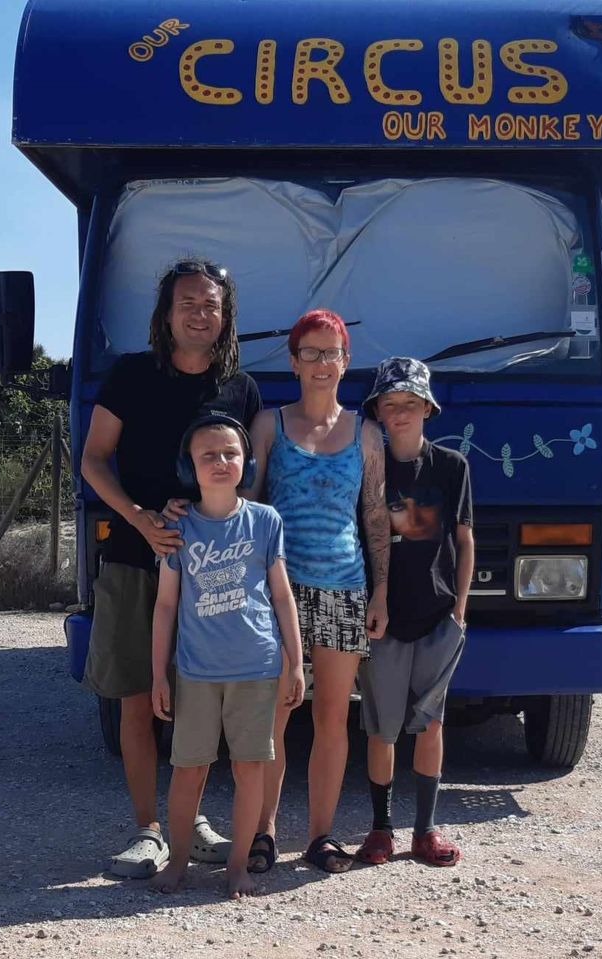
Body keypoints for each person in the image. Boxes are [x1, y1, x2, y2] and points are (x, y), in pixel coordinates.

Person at [81, 259, 261, 878]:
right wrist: (140, 519)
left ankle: (195, 820)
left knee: (199, 702)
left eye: (210, 304)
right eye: (187, 302)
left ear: (224, 315)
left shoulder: (239, 388)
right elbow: (93, 461)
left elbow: (250, 481)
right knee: (137, 697)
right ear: (166, 312)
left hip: (215, 576)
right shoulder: (131, 376)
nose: (199, 313)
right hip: (135, 562)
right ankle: (147, 830)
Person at [246, 309, 390, 874]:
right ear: (294, 360)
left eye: (333, 353)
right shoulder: (267, 425)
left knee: (332, 718)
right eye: (311, 352)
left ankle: (322, 836)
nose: (322, 363)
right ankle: (262, 832)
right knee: (276, 715)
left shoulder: (366, 433)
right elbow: (249, 508)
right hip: (279, 591)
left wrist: (379, 594)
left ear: (346, 361)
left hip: (344, 591)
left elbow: (375, 519)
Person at [149, 412, 304, 898]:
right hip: (195, 673)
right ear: (189, 466)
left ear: (246, 461)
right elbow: (166, 604)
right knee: (188, 769)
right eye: (208, 455)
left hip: (258, 667)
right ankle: (177, 863)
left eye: (230, 453)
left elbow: (282, 596)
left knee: (250, 768)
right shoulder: (178, 527)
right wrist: (159, 674)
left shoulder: (265, 521)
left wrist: (295, 663)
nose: (220, 462)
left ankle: (238, 866)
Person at [355, 357, 474, 867]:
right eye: (390, 404)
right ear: (378, 412)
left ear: (427, 408)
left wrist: (460, 611)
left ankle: (424, 831)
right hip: (381, 619)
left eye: (409, 403)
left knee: (430, 725)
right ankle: (381, 830)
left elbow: (465, 541)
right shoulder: (368, 466)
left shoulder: (452, 467)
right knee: (381, 728)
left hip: (436, 613)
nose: (399, 413)